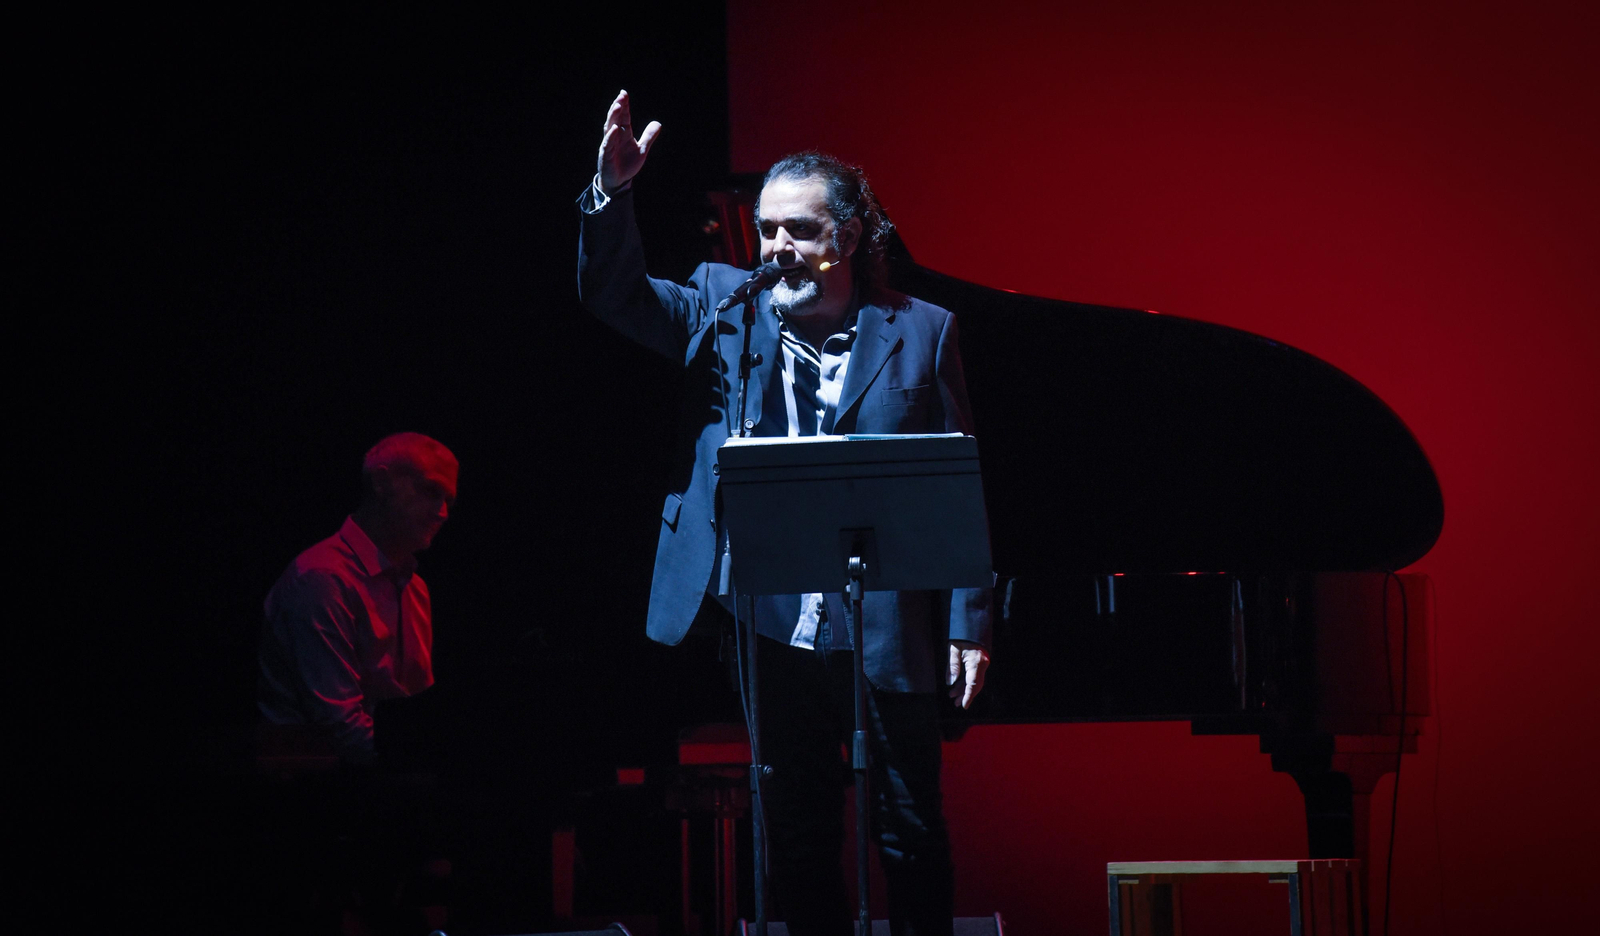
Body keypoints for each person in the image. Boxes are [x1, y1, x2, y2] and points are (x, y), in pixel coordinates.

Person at [577, 90, 992, 936]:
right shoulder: (722, 306)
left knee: (909, 831)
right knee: (796, 840)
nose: (776, 248)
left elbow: (961, 484)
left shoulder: (922, 330)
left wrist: (969, 622)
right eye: (766, 229)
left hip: (889, 621)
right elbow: (614, 296)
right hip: (768, 625)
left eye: (798, 231)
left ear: (847, 236)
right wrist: (611, 194)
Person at [258, 431, 459, 765]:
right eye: (430, 490)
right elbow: (337, 729)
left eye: (449, 502)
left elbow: (416, 715)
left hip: (383, 779)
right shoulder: (322, 579)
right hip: (311, 790)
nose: (442, 513)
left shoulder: (415, 588)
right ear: (381, 482)